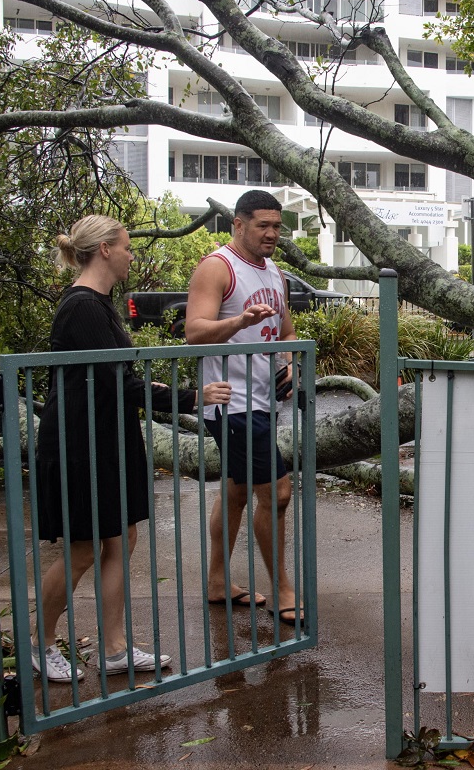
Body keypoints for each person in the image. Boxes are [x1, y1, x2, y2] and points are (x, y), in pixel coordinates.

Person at [33, 214, 232, 682]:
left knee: (123, 538)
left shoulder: (100, 304)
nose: (130, 254)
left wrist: (146, 385)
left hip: (108, 436)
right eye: (126, 247)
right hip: (79, 443)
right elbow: (118, 383)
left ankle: (114, 648)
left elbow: (115, 378)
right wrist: (191, 397)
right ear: (104, 249)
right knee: (83, 548)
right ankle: (38, 644)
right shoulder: (82, 306)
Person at [185, 189, 301, 624]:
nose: (272, 233)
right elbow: (194, 332)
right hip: (229, 404)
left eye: (277, 226)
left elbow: (287, 334)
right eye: (262, 225)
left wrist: (290, 361)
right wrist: (239, 322)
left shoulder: (274, 273)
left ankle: (218, 581)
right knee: (278, 492)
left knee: (236, 491)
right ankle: (282, 589)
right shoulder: (219, 268)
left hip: (263, 401)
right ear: (238, 224)